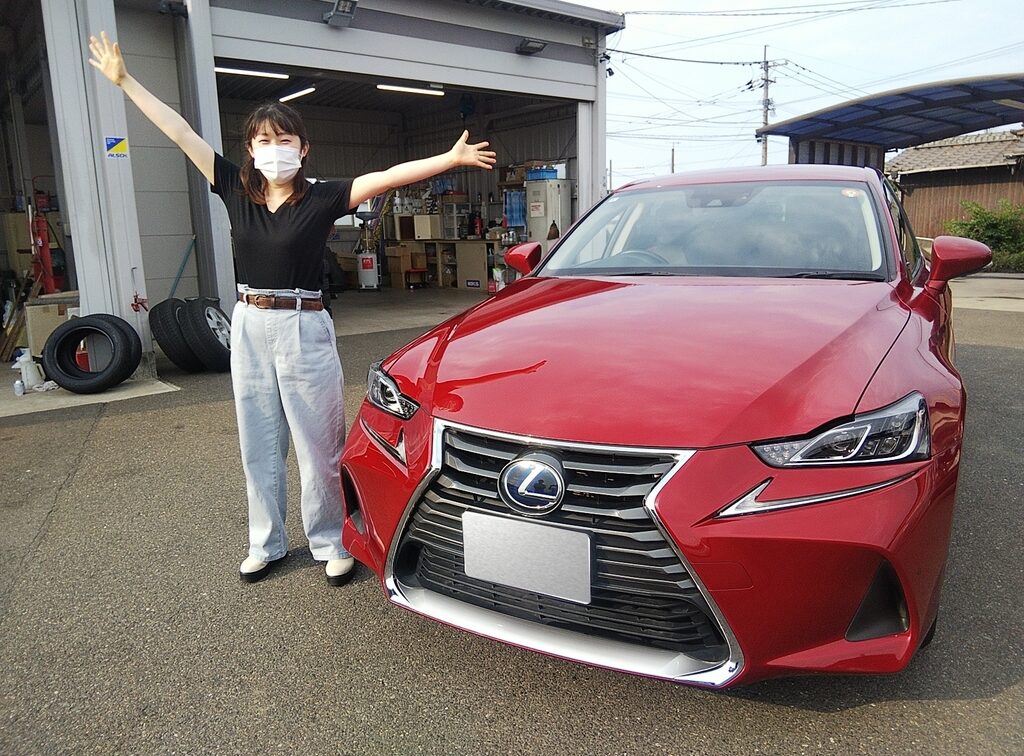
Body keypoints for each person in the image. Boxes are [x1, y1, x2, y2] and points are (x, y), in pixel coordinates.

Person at [88, 32, 496, 586]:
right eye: (262, 139)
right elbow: (180, 132)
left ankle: (330, 540)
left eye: (284, 138)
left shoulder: (323, 196)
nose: (272, 147)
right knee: (258, 441)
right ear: (250, 150)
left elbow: (388, 176)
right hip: (250, 325)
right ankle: (267, 543)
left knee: (318, 442)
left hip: (305, 326)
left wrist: (449, 159)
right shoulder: (235, 187)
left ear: (303, 149)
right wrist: (125, 81)